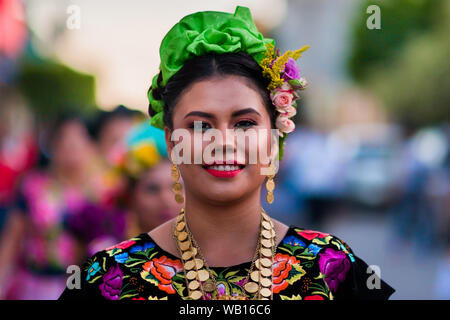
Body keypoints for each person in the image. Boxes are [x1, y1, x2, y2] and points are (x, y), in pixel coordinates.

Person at [59, 6, 395, 300]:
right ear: (172, 142)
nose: (223, 142)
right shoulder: (110, 277)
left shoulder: (330, 268)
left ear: (274, 137)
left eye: (245, 123)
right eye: (201, 126)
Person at [0, 114, 125, 299]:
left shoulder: (107, 188)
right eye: (64, 141)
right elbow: (13, 237)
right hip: (38, 285)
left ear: (91, 145)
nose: (71, 149)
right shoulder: (33, 186)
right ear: (52, 146)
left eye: (77, 141)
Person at [115, 121, 183, 237]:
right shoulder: (111, 253)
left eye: (177, 187)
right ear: (131, 197)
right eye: (152, 189)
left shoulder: (210, 252)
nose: (166, 199)